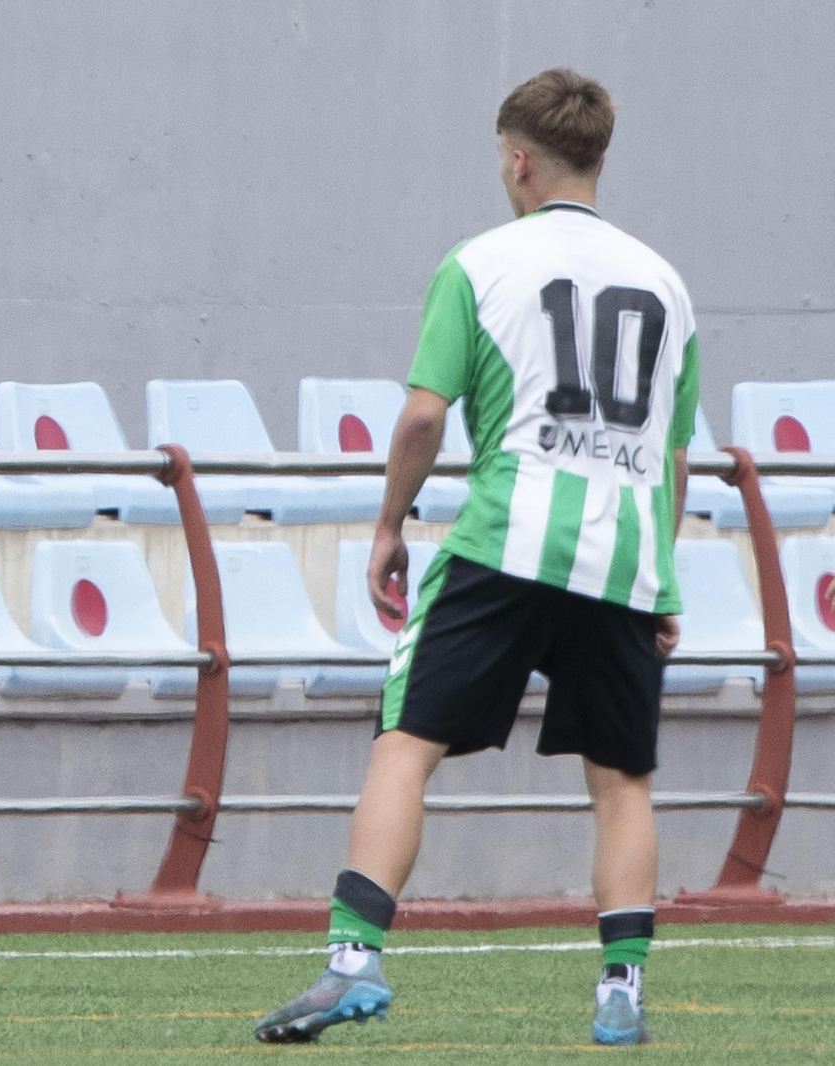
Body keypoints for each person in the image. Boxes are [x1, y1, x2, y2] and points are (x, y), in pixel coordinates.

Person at [255, 68, 697, 1047]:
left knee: (404, 743)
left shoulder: (480, 263)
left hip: (505, 537)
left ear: (517, 158)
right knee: (619, 779)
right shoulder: (668, 286)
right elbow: (670, 455)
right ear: (599, 158)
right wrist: (659, 573)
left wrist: (386, 524)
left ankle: (352, 960)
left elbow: (421, 413)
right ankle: (619, 987)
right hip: (620, 555)